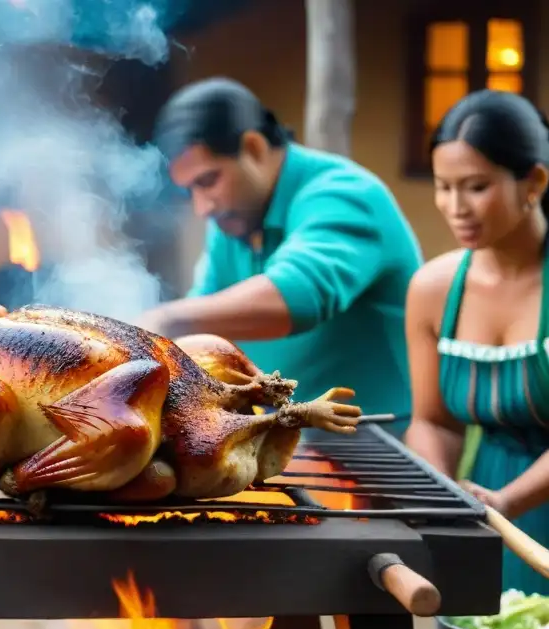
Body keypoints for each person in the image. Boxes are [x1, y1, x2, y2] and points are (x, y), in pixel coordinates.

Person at [135, 78, 421, 421]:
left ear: (254, 148)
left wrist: (164, 318)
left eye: (208, 181)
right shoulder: (232, 222)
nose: (202, 207)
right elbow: (203, 330)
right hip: (286, 438)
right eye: (189, 191)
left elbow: (297, 298)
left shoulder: (345, 193)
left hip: (373, 443)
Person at [404, 89, 549, 595]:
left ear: (534, 181)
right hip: (488, 511)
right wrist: (444, 493)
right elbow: (432, 420)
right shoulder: (433, 290)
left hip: (512, 503)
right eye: (444, 187)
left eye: (476, 187)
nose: (455, 207)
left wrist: (507, 502)